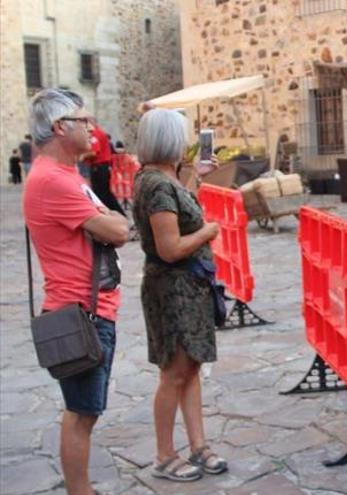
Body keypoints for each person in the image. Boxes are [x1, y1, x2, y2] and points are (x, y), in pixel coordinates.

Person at [23, 88, 129, 495]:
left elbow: (112, 225)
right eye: (84, 120)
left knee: (86, 409)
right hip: (82, 313)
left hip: (89, 308)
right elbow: (119, 230)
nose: (93, 129)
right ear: (59, 127)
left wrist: (103, 217)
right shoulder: (53, 180)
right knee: (82, 412)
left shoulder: (66, 175)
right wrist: (105, 217)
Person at [131, 109, 227, 482]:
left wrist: (195, 179)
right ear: (169, 140)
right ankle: (164, 454)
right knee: (174, 372)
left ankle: (198, 445)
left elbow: (177, 208)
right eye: (183, 136)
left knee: (190, 367)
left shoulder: (162, 179)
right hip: (174, 289)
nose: (188, 142)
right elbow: (170, 247)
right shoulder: (156, 184)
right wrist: (208, 232)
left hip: (186, 287)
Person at [83, 122, 125, 215]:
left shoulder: (94, 134)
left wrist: (81, 156)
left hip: (99, 167)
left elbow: (94, 152)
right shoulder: (99, 132)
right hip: (101, 167)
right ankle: (118, 214)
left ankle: (115, 215)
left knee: (101, 194)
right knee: (104, 193)